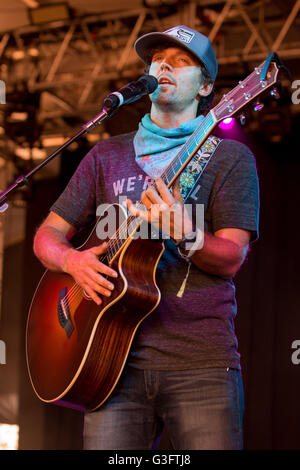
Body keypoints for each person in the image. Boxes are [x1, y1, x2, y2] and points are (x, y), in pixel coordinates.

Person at [33, 25, 259, 450]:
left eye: (181, 60)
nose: (164, 65)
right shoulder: (106, 154)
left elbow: (231, 257)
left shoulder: (229, 157)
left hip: (201, 364)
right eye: (157, 58)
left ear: (207, 86)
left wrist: (186, 232)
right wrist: (72, 262)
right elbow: (47, 235)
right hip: (108, 365)